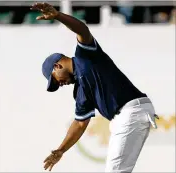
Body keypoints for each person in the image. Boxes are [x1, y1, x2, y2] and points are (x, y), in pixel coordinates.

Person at [31, 3, 158, 172]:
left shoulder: (85, 55)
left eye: (55, 81)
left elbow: (82, 30)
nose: (59, 85)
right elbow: (80, 123)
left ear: (57, 66)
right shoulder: (81, 92)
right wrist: (61, 150)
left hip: (131, 111)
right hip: (125, 116)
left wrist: (58, 16)